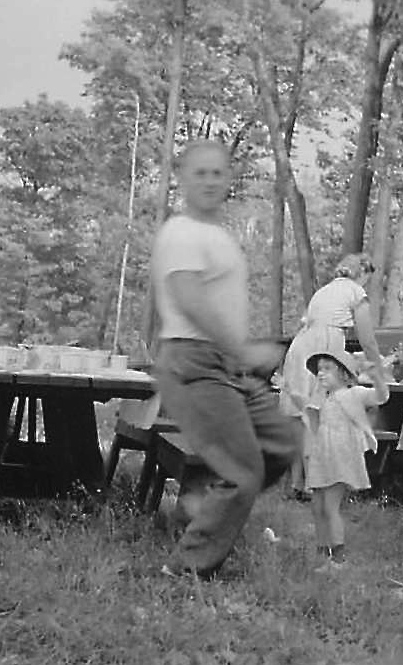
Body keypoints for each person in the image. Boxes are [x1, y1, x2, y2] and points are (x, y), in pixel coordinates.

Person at [150, 139, 300, 579]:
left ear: (229, 178)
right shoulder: (181, 233)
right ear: (183, 178)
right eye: (201, 173)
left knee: (283, 442)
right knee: (243, 472)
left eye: (218, 173)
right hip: (193, 361)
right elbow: (188, 299)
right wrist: (243, 349)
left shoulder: (218, 235)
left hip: (224, 365)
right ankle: (185, 569)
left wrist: (240, 354)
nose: (211, 181)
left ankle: (200, 502)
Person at [279, 253, 382, 493]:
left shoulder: (324, 291)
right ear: (363, 273)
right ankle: (315, 483)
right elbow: (367, 339)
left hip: (300, 345)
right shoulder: (356, 293)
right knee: (319, 411)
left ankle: (296, 483)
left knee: (300, 410)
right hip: (323, 346)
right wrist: (378, 368)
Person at [302, 348, 389, 572]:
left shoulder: (354, 394)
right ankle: (323, 550)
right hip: (323, 454)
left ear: (342, 373)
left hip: (340, 456)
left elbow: (382, 396)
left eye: (327, 369)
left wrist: (377, 376)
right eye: (319, 370)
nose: (321, 374)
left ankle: (339, 557)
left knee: (330, 506)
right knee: (318, 505)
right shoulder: (324, 398)